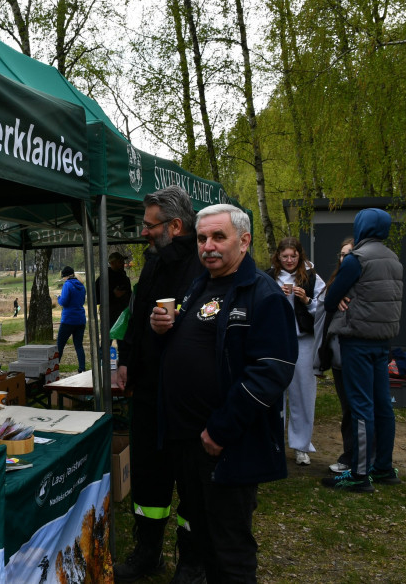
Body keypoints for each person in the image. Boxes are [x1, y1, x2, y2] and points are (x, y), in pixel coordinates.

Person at [150, 203, 297, 582]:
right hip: (188, 441)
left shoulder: (262, 294)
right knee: (201, 538)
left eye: (219, 237)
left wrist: (221, 430)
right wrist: (165, 328)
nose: (208, 246)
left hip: (225, 445)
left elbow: (271, 373)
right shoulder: (201, 284)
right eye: (201, 238)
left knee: (230, 549)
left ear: (244, 241)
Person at [114, 185, 204, 583]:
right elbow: (134, 319)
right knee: (148, 477)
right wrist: (125, 362)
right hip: (148, 393)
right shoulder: (151, 263)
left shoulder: (203, 263)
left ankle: (192, 562)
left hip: (188, 397)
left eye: (150, 226)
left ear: (176, 225)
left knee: (192, 482)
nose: (144, 232)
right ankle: (147, 553)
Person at [321, 209, 404, 493]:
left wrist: (342, 297)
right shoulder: (393, 258)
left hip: (357, 339)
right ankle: (383, 467)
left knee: (360, 407)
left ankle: (358, 473)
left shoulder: (358, 259)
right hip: (383, 341)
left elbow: (331, 298)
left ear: (361, 227)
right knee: (383, 405)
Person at [267, 237, 326, 466]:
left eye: (293, 256)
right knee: (274, 393)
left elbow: (323, 309)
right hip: (276, 342)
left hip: (304, 341)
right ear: (278, 257)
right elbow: (259, 307)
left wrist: (307, 299)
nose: (289, 260)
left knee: (303, 393)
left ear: (300, 256)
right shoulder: (269, 277)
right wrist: (275, 296)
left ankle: (301, 446)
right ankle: (275, 442)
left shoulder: (312, 277)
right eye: (285, 257)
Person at [316, 237, 356, 474]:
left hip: (358, 354)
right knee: (348, 409)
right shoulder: (335, 282)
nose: (345, 258)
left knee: (357, 410)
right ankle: (351, 455)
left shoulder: (363, 282)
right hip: (339, 356)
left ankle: (357, 459)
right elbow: (324, 309)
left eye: (350, 254)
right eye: (342, 255)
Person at [56, 266, 87, 371]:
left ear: (65, 276)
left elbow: (63, 302)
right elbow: (82, 301)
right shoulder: (82, 286)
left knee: (60, 345)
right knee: (79, 345)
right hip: (80, 319)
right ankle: (82, 368)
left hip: (68, 319)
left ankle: (54, 368)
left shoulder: (67, 285)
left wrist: (58, 298)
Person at [95, 251, 132, 328]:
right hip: (108, 315)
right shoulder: (103, 278)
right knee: (107, 339)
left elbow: (129, 295)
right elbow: (96, 297)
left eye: (122, 261)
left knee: (124, 339)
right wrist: (113, 294)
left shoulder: (124, 278)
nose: (122, 263)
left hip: (124, 314)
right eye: (120, 262)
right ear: (112, 263)